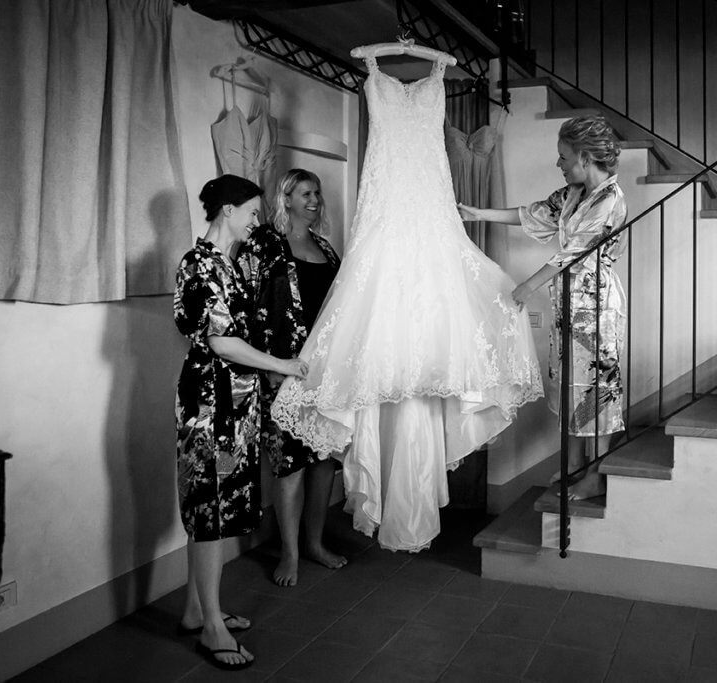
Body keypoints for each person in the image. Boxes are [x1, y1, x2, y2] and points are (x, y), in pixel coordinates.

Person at [271, 50, 543, 553]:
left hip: (423, 216)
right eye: (303, 194)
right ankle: (315, 536)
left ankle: (384, 509)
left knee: (425, 343)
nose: (312, 199)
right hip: (389, 213)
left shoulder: (429, 77)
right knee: (386, 361)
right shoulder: (377, 79)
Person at [173, 174, 307, 670]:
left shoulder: (225, 265)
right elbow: (221, 341)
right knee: (210, 512)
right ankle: (210, 628)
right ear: (227, 210)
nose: (257, 220)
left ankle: (195, 609)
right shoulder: (200, 263)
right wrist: (284, 366)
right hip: (210, 408)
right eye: (252, 212)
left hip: (234, 407)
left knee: (218, 509)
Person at [457, 114, 628, 501]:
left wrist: (526, 287)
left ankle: (594, 475)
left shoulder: (610, 199)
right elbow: (532, 213)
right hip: (569, 303)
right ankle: (573, 465)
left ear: (585, 158)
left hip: (595, 304)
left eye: (564, 157)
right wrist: (479, 214)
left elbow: (573, 252)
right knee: (570, 385)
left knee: (595, 390)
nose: (559, 164)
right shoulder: (572, 194)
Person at [238, 169, 347, 586]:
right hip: (281, 371)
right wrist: (265, 365)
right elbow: (245, 304)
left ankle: (315, 543)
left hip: (325, 372)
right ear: (285, 199)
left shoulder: (326, 249)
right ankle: (289, 553)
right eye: (305, 193)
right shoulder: (265, 244)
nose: (315, 200)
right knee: (289, 465)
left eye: (317, 192)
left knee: (323, 461)